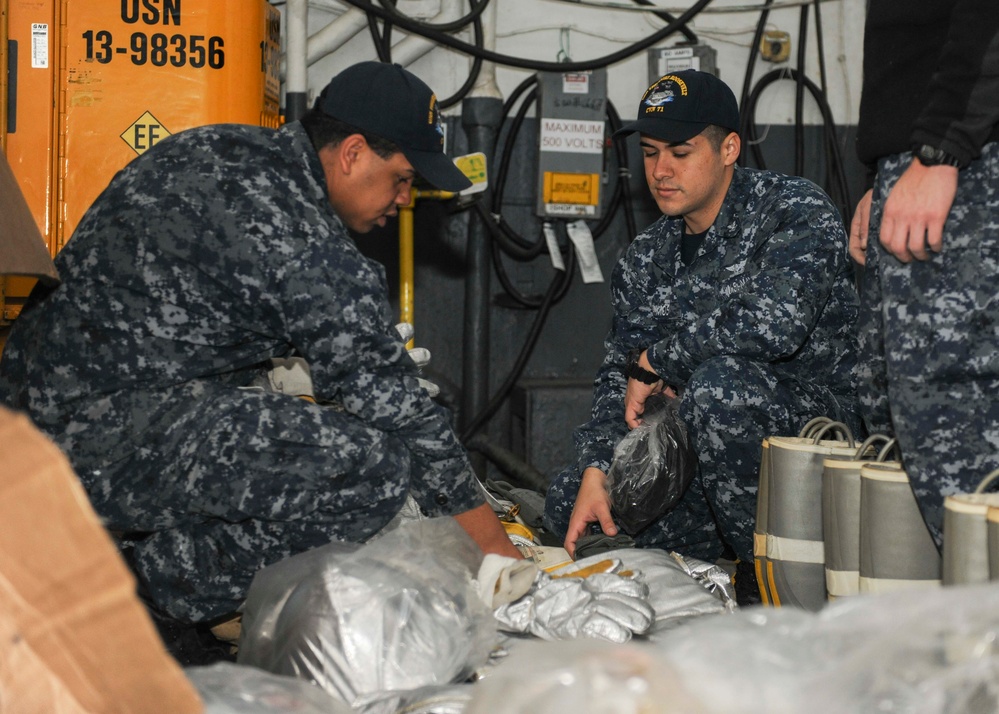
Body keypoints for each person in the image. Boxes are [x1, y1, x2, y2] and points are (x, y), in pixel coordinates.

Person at [0, 61, 521, 626]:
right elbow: (404, 416)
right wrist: (496, 552)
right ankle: (138, 590)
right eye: (401, 179)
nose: (402, 200)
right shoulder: (306, 242)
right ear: (351, 153)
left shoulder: (218, 146)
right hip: (85, 441)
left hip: (32, 418)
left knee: (292, 426)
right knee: (371, 467)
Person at [543, 69, 860, 577]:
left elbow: (773, 325)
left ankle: (777, 585)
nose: (661, 170)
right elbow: (618, 377)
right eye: (650, 153)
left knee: (721, 388)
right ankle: (710, 560)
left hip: (812, 440)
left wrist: (657, 361)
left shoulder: (794, 211)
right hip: (700, 447)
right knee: (569, 505)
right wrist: (597, 467)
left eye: (680, 153)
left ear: (729, 148)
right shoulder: (648, 255)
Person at [850, 1, 999, 546]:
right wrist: (885, 175)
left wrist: (943, 149)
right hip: (929, 159)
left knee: (958, 423)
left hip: (968, 159)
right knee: (895, 410)